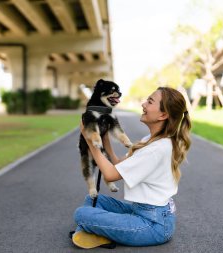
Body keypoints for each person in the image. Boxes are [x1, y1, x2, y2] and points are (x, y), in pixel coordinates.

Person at [72, 87, 192, 249]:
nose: (143, 104)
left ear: (163, 115)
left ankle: (94, 231)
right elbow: (118, 165)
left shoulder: (156, 149)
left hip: (152, 225)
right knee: (93, 200)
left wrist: (89, 138)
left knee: (81, 214)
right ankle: (96, 232)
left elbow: (110, 175)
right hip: (143, 211)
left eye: (150, 102)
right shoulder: (151, 139)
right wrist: (104, 138)